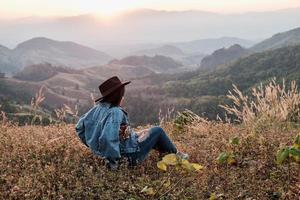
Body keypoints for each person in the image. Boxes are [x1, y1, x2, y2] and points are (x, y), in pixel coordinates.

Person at [75, 76, 188, 170]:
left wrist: (95, 147)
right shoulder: (115, 112)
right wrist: (113, 163)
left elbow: (79, 128)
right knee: (158, 131)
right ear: (118, 95)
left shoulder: (96, 109)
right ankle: (177, 158)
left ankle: (166, 156)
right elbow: (108, 138)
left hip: (119, 149)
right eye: (122, 94)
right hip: (128, 157)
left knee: (146, 132)